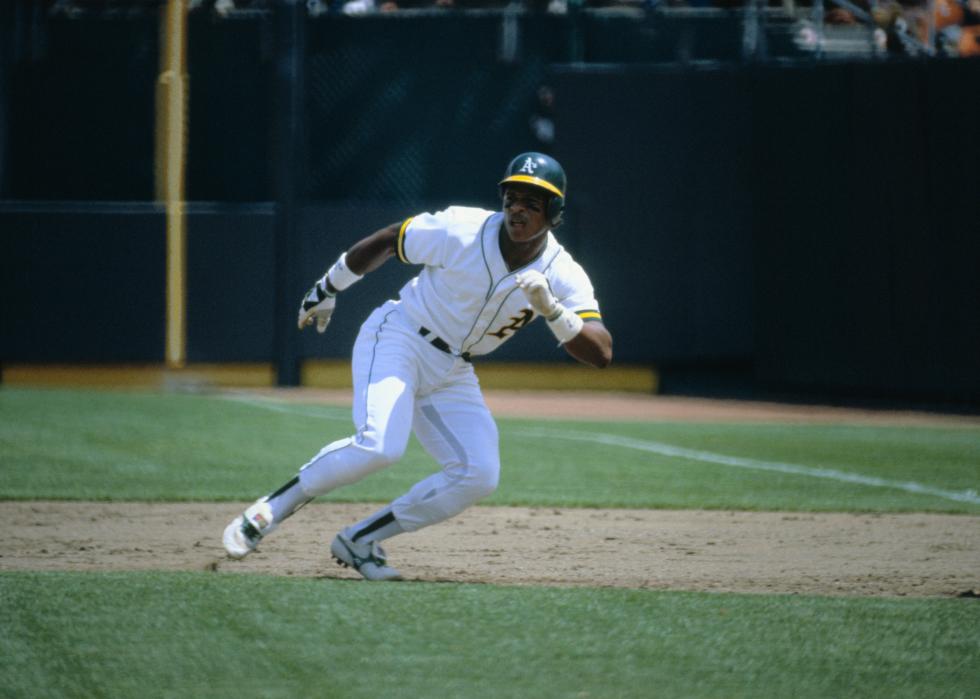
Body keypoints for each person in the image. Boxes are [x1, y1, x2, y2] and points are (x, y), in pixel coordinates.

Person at [222, 152, 613, 581]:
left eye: (533, 201)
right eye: (512, 196)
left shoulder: (562, 273)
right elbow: (391, 240)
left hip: (454, 372)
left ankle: (360, 540)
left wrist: (554, 311)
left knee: (479, 474)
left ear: (554, 212)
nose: (517, 207)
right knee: (380, 446)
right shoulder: (462, 229)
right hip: (402, 336)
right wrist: (329, 286)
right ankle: (266, 512)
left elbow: (600, 352)